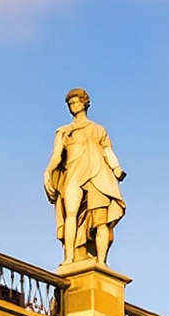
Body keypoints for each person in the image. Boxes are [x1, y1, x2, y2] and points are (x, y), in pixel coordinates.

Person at [44, 89, 125, 265]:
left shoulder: (98, 129)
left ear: (84, 103)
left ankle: (102, 262)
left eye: (76, 102)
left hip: (98, 174)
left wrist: (117, 168)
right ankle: (69, 258)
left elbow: (107, 151)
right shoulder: (64, 131)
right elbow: (57, 155)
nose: (73, 106)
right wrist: (48, 171)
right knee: (70, 214)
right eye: (70, 103)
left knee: (101, 220)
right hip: (73, 173)